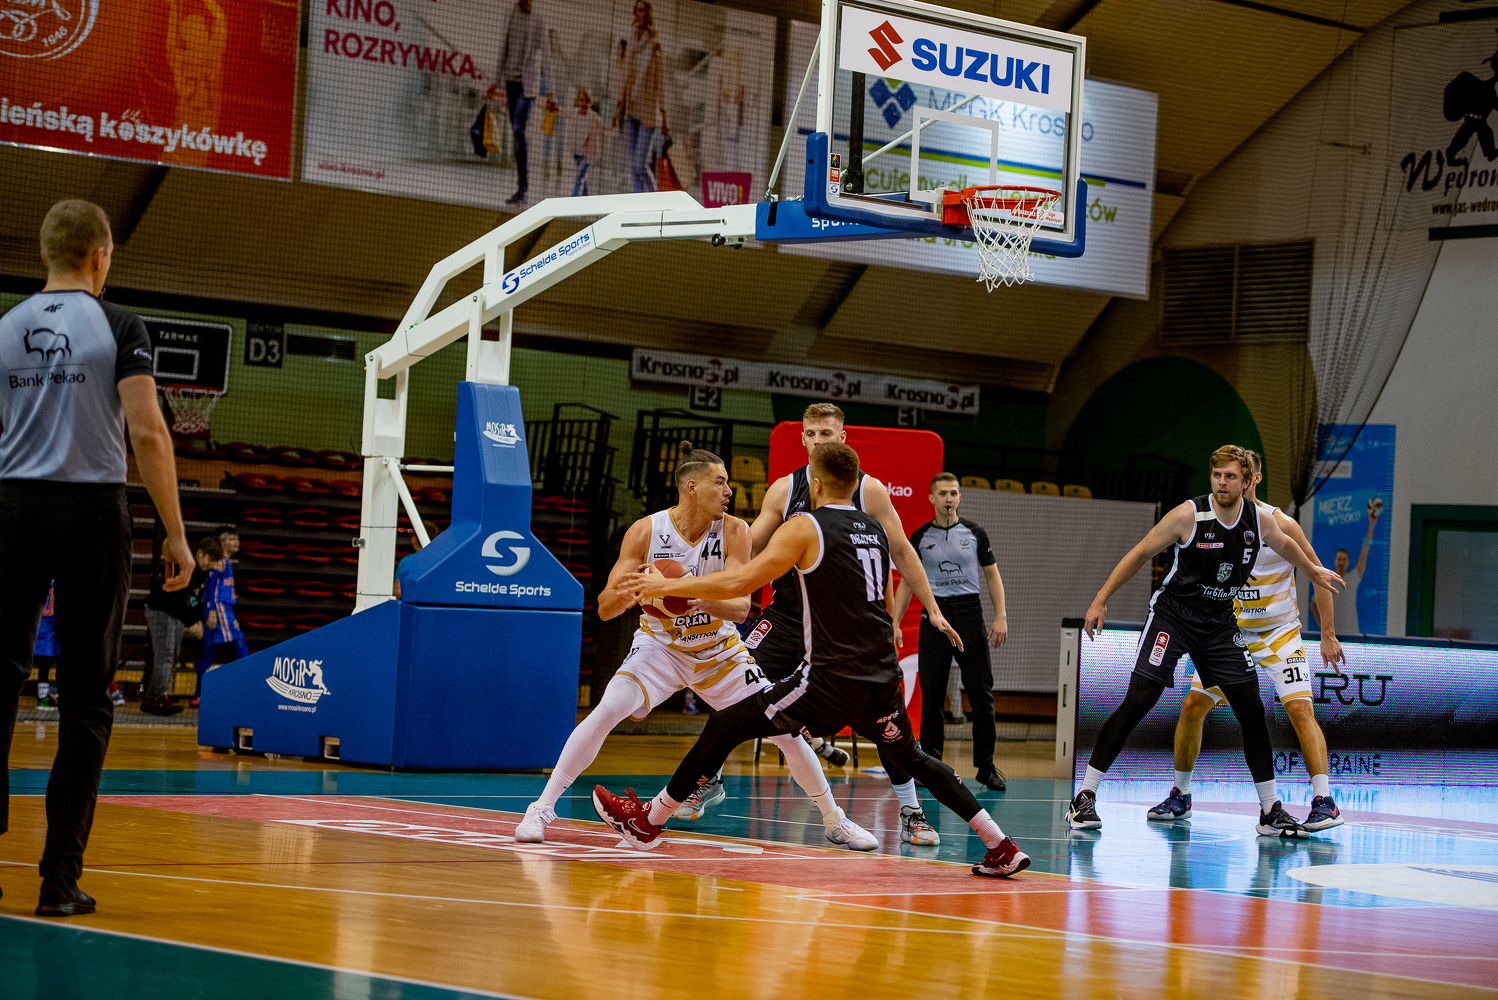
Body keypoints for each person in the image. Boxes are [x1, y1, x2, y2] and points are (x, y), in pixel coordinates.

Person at [595, 443, 1031, 878]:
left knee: (725, 724)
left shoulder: (804, 527)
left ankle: (648, 821)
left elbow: (743, 581)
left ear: (816, 485)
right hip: (881, 674)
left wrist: (669, 588)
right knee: (913, 757)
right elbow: (881, 591)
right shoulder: (873, 528)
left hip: (830, 679)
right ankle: (1001, 845)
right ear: (856, 485)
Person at [513, 443, 878, 852]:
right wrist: (635, 592)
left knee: (786, 733)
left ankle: (835, 820)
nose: (729, 491)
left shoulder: (735, 530)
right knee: (608, 708)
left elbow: (741, 608)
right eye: (720, 482)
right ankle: (541, 808)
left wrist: (686, 592)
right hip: (661, 648)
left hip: (720, 652)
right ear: (692, 487)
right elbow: (604, 608)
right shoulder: (646, 531)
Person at [1, 199, 193, 916]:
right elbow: (147, 431)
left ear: (45, 253)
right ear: (99, 256)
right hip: (90, 514)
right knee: (86, 699)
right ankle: (59, 879)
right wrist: (175, 533)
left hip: (12, 509)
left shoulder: (5, 327)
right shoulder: (120, 326)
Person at [1067, 444, 1344, 838]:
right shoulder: (1188, 515)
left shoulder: (1261, 520)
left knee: (1252, 710)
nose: (1222, 483)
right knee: (1140, 699)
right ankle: (1084, 797)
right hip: (1174, 617)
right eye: (1217, 475)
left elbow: (1288, 547)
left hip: (1219, 624)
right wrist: (1100, 599)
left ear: (1247, 481)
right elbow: (1140, 552)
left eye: (1230, 476)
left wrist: (1315, 573)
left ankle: (1270, 811)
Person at [744, 403, 941, 846]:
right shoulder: (784, 489)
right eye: (812, 433)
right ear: (802, 439)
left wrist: (929, 609)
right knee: (736, 681)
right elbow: (750, 545)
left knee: (887, 724)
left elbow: (898, 552)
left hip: (844, 627)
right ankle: (707, 780)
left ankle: (911, 810)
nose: (819, 440)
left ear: (842, 438)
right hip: (789, 615)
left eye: (827, 433)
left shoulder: (869, 491)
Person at [1149, 450, 1346, 831]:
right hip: (1230, 634)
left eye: (1241, 476)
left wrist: (1327, 634)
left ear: (1253, 479)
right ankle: (1180, 795)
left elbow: (1318, 574)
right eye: (1222, 475)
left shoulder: (1279, 523)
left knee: (1299, 709)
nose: (1230, 482)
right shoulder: (1215, 522)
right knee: (1192, 705)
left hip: (1279, 633)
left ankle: (1325, 801)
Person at [890, 473, 1009, 791]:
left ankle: (986, 767)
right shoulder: (919, 536)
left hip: (970, 614)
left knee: (982, 695)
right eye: (942, 493)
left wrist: (1001, 616)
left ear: (959, 497)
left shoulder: (975, 533)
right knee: (931, 697)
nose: (948, 498)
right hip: (935, 615)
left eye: (953, 493)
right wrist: (894, 622)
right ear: (932, 498)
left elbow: (992, 575)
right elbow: (907, 582)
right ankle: (931, 766)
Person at [490, 0, 551, 205]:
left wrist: (550, 92)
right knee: (517, 134)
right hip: (511, 83)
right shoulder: (509, 16)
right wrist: (495, 81)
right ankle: (520, 188)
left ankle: (523, 189)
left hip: (529, 86)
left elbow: (547, 57)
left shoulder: (538, 21)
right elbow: (503, 50)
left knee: (518, 129)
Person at [142, 547, 205, 716]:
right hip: (162, 609)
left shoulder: (203, 575)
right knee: (165, 656)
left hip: (175, 614)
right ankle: (158, 698)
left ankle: (151, 696)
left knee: (172, 656)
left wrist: (198, 620)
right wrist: (192, 622)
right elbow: (174, 601)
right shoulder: (186, 568)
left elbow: (193, 602)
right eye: (209, 558)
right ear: (200, 554)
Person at [614, 0, 666, 193]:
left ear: (648, 15)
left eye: (644, 10)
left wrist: (664, 114)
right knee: (634, 167)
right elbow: (624, 76)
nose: (641, 14)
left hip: (647, 113)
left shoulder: (654, 46)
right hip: (630, 109)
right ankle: (639, 200)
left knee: (639, 164)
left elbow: (660, 82)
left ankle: (654, 196)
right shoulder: (629, 43)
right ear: (635, 14)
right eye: (638, 10)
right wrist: (618, 108)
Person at [193, 535, 247, 705]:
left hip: (220, 608)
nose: (236, 542)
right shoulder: (219, 562)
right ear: (222, 543)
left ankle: (199, 694)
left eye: (237, 539)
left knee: (210, 652)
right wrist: (212, 610)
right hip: (220, 608)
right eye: (231, 539)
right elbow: (211, 587)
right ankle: (244, 687)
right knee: (239, 645)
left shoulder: (223, 563)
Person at [1322, 500, 1378, 636]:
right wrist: (1322, 626)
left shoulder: (1354, 577)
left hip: (1352, 634)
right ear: (1335, 561)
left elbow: (1364, 552)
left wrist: (1371, 526)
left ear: (1348, 562)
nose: (1341, 562)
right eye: (1339, 559)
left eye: (1344, 559)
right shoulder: (1326, 581)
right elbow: (1313, 604)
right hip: (1332, 635)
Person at [567, 86, 604, 197]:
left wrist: (613, 123)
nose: (584, 103)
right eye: (581, 100)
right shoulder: (574, 113)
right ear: (578, 101)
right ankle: (586, 199)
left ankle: (574, 201)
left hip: (588, 154)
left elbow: (604, 126)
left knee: (580, 177)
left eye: (587, 101)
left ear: (590, 102)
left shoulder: (593, 116)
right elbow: (563, 111)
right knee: (583, 178)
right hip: (576, 152)